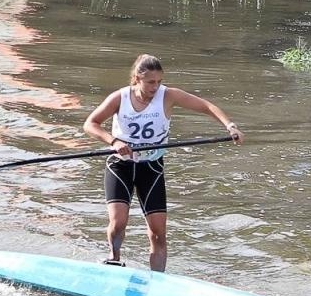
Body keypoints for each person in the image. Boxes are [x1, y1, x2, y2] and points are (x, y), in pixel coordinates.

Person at [82, 54, 242, 271]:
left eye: (159, 81)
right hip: (121, 166)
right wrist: (114, 141)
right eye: (150, 82)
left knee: (158, 232)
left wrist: (230, 126)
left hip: (151, 168)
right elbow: (90, 124)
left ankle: (158, 277)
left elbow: (206, 106)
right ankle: (114, 258)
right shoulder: (120, 97)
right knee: (118, 223)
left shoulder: (169, 95)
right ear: (137, 78)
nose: (155, 87)